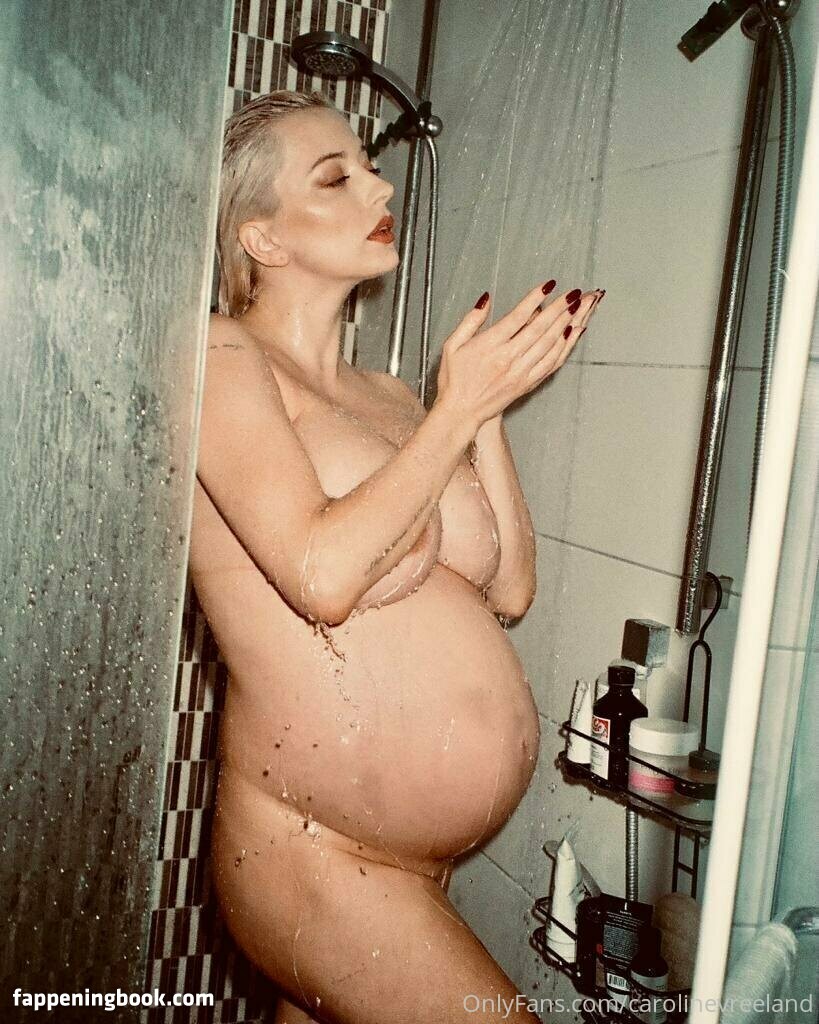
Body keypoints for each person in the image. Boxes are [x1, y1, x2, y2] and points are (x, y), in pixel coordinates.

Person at [189, 88, 602, 1024]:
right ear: (263, 239)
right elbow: (323, 576)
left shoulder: (387, 393)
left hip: (412, 857)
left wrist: (482, 413)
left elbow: (509, 588)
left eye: (370, 168)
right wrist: (455, 410)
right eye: (335, 177)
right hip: (312, 849)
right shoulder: (221, 358)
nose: (379, 186)